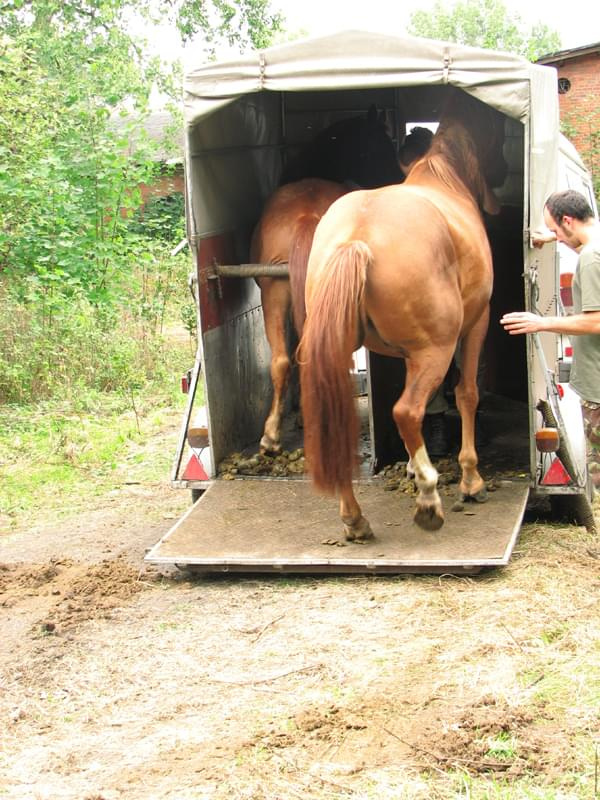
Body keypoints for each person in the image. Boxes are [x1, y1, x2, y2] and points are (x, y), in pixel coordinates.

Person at [500, 189, 600, 492]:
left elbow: (597, 320)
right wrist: (551, 238)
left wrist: (541, 322)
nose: (556, 234)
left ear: (568, 220)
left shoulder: (590, 259)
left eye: (556, 229)